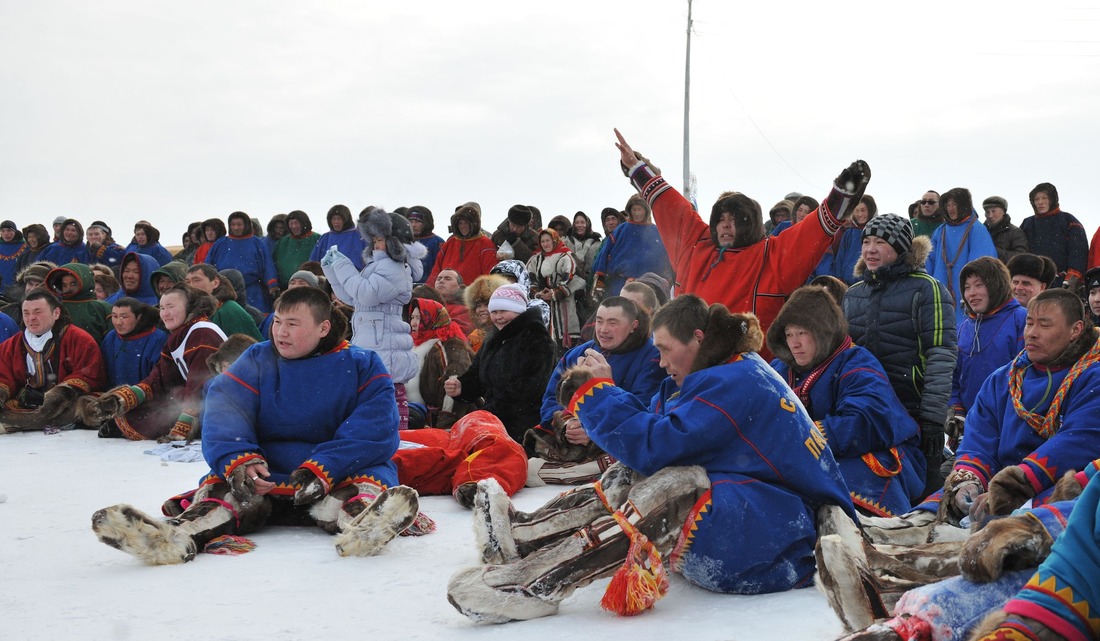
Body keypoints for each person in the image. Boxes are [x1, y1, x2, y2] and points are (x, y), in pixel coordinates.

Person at [446, 295, 857, 623]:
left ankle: (537, 585)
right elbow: (655, 424)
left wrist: (597, 392)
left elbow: (656, 444)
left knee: (674, 485)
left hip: (786, 538)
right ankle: (527, 536)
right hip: (771, 515)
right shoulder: (724, 368)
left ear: (697, 339)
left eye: (664, 349)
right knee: (634, 471)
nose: (659, 361)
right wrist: (600, 392)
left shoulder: (736, 380)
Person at [90, 286, 425, 564]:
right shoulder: (257, 358)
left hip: (338, 470)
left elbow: (375, 425)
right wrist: (241, 459)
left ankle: (366, 528)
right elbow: (225, 408)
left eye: (293, 324)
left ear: (323, 328)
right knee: (223, 492)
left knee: (357, 492)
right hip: (266, 471)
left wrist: (326, 466)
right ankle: (174, 538)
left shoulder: (363, 364)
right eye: (278, 321)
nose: (280, 331)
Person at [613, 129, 868, 358]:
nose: (726, 225)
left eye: (735, 219)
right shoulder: (696, 247)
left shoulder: (771, 255)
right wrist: (636, 168)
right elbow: (670, 205)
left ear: (752, 224)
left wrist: (840, 197)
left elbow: (812, 232)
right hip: (689, 366)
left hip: (750, 370)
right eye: (721, 219)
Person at [768, 284, 926, 517]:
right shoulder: (779, 369)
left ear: (823, 332)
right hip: (801, 454)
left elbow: (869, 420)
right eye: (789, 335)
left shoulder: (855, 362)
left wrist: (804, 438)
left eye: (802, 333)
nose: (794, 344)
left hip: (867, 450)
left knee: (846, 483)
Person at [843, 213, 957, 497]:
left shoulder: (927, 288)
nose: (870, 249)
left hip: (912, 409)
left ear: (901, 248)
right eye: (867, 241)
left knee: (922, 491)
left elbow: (941, 353)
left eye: (880, 242)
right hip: (867, 409)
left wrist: (932, 419)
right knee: (872, 489)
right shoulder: (854, 293)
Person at [526, 296, 664, 486]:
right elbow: (551, 399)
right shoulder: (576, 354)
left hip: (616, 441)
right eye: (599, 321)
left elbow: (646, 408)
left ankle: (569, 472)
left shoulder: (652, 357)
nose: (603, 329)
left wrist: (594, 428)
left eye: (613, 323)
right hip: (567, 441)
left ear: (633, 325)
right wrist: (567, 425)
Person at [322, 207, 424, 431]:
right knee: (374, 403)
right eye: (374, 240)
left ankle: (396, 442)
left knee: (388, 406)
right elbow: (353, 296)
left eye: (379, 240)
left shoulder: (395, 268)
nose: (375, 245)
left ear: (393, 241)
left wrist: (343, 265)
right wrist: (332, 270)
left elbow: (365, 293)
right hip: (375, 342)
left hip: (385, 345)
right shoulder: (379, 266)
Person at [81, 285, 226, 441]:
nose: (165, 313)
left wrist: (184, 425)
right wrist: (125, 399)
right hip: (199, 399)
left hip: (222, 404)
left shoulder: (202, 331)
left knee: (159, 414)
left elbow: (199, 382)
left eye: (171, 307)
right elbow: (159, 378)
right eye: (162, 308)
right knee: (153, 405)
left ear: (189, 308)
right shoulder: (178, 335)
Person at [444, 284, 555, 443]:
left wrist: (489, 413)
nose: (498, 317)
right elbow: (477, 374)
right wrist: (462, 387)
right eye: (494, 312)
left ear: (518, 311)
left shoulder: (537, 339)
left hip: (524, 429)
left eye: (504, 311)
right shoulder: (494, 338)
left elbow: (529, 391)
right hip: (495, 423)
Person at [948, 257, 1028, 454]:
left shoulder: (1021, 319)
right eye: (967, 287)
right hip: (971, 429)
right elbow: (953, 377)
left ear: (996, 284)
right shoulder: (963, 328)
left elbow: (1028, 371)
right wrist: (956, 410)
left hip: (1012, 425)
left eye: (979, 285)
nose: (971, 293)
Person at [0, 288, 105, 433]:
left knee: (87, 406)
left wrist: (59, 395)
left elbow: (89, 374)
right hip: (27, 403)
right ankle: (28, 421)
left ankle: (20, 423)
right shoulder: (11, 345)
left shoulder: (79, 339)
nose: (31, 318)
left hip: (68, 403)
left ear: (56, 313)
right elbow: (3, 376)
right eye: (26, 313)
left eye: (38, 312)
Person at [925, 187, 998, 326]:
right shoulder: (941, 230)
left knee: (966, 328)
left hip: (967, 293)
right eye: (948, 205)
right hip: (941, 291)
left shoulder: (976, 229)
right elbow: (930, 261)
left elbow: (982, 265)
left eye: (955, 204)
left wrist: (972, 290)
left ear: (964, 205)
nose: (951, 209)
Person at [405, 297, 476, 429]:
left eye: (419, 318)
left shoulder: (449, 344)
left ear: (432, 319)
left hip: (441, 424)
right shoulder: (413, 345)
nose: (414, 323)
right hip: (420, 421)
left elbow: (454, 385)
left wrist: (445, 427)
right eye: (412, 317)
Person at [590, 194, 673, 300]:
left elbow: (665, 258)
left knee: (646, 312)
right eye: (634, 209)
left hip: (649, 285)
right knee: (619, 312)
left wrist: (667, 278)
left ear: (646, 211)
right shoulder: (621, 229)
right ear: (630, 211)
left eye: (640, 209)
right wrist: (600, 277)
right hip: (620, 283)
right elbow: (604, 253)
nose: (637, 213)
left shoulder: (656, 231)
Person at [202, 211, 279, 313]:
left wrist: (272, 285)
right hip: (224, 291)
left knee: (255, 317)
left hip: (253, 291)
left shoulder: (257, 243)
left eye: (239, 224)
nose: (236, 228)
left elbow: (267, 265)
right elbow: (208, 266)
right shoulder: (220, 243)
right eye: (233, 225)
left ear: (246, 225)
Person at [1020, 182, 1089, 291]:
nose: (1040, 202)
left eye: (1044, 198)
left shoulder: (1069, 221)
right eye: (1036, 199)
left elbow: (1078, 253)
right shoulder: (1028, 223)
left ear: (1052, 199)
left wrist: (1071, 279)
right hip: (1033, 283)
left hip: (1062, 282)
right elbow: (1021, 252)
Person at [527, 228, 584, 352]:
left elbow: (578, 279)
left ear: (554, 240)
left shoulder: (567, 256)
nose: (545, 244)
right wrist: (537, 293)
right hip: (543, 305)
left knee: (564, 343)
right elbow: (529, 279)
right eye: (542, 241)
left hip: (564, 306)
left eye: (548, 240)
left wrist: (557, 293)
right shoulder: (536, 260)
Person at [100, 297, 168, 388]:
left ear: (139, 317)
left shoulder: (158, 339)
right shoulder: (111, 337)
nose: (118, 322)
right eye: (114, 316)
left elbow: (160, 376)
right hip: (114, 396)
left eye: (124, 317)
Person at [427, 202, 499, 287]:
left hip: (471, 296)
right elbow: (436, 270)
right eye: (460, 223)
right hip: (446, 294)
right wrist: (429, 291)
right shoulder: (450, 243)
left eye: (466, 223)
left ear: (474, 224)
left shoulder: (486, 244)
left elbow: (490, 275)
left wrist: (481, 295)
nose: (463, 226)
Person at [184, 264, 263, 340]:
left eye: (197, 280)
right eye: (187, 282)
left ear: (215, 283)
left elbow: (246, 348)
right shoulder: (188, 311)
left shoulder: (229, 310)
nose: (191, 286)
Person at [813, 194, 878, 285]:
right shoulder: (849, 233)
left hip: (865, 283)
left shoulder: (876, 232)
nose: (860, 214)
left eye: (863, 210)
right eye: (856, 210)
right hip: (845, 283)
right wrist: (839, 278)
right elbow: (840, 258)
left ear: (870, 211)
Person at [45, 263, 113, 342]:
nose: (68, 288)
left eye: (73, 284)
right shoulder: (55, 307)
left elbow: (111, 340)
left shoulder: (102, 308)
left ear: (85, 282)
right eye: (64, 285)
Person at [308, 204, 367, 271]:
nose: (336, 222)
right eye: (333, 219)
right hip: (328, 278)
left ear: (346, 220)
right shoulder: (325, 238)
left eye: (339, 219)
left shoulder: (359, 235)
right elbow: (313, 262)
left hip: (355, 276)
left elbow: (368, 259)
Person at [272, 210, 319, 289]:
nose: (294, 226)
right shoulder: (282, 242)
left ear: (304, 223)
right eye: (291, 223)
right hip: (285, 287)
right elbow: (273, 262)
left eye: (296, 223)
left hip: (310, 287)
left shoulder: (317, 239)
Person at [462, 273, 507, 353]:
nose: (481, 309)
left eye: (487, 304)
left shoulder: (511, 333)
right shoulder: (474, 337)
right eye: (478, 306)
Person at [982, 195, 1028, 263]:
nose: (990, 215)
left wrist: (993, 251)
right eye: (987, 212)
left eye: (994, 211)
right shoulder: (981, 232)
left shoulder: (1016, 232)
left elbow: (1021, 257)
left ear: (1004, 211)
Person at [404, 206, 443, 284]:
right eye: (410, 221)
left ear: (426, 223)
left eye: (417, 221)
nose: (413, 225)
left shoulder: (437, 242)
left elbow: (440, 267)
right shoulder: (404, 241)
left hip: (428, 287)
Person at [432, 268, 475, 335]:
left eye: (447, 279)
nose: (441, 281)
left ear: (459, 287)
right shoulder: (424, 304)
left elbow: (457, 334)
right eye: (439, 279)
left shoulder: (464, 310)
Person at [0, 221, 26, 292]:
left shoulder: (25, 246)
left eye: (9, 230)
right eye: (3, 231)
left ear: (15, 231)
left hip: (17, 288)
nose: (6, 234)